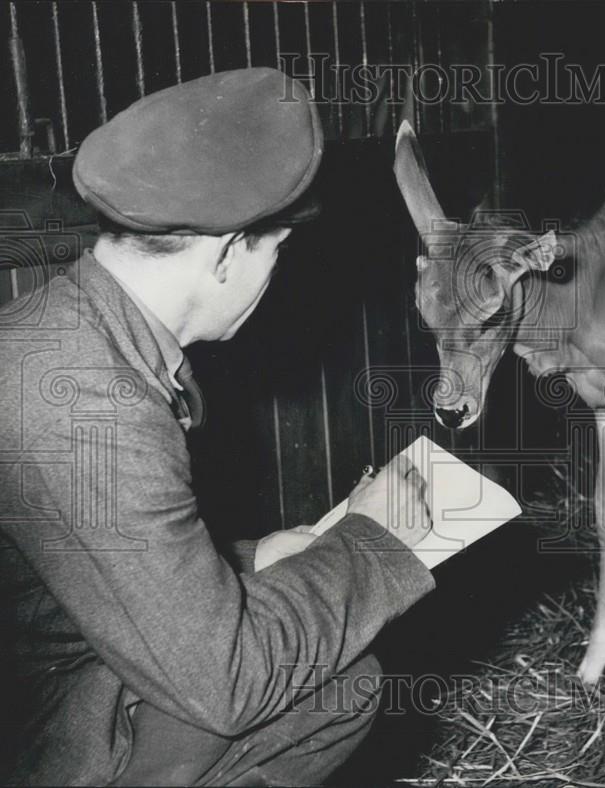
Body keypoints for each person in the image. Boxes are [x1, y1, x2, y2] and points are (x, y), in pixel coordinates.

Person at [0, 67, 434, 786]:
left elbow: (85, 558)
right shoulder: (90, 409)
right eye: (275, 252)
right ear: (229, 252)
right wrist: (377, 542)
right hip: (31, 729)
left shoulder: (69, 331)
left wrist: (253, 558)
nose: (274, 277)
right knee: (332, 688)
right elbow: (225, 685)